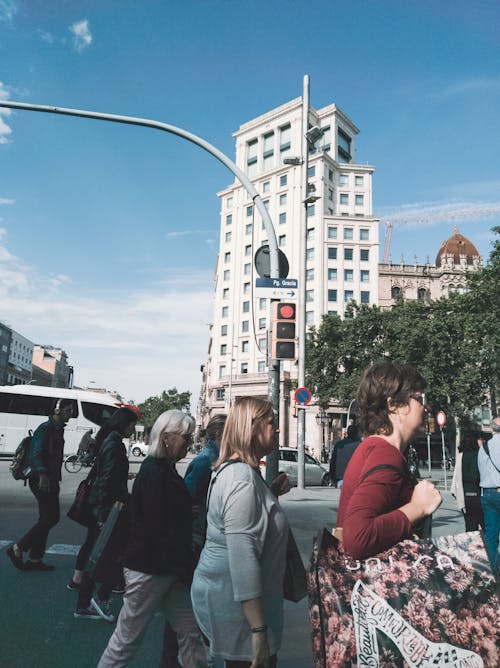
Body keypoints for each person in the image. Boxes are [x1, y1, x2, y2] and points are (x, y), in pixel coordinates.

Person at [97, 410, 208, 667]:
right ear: (167, 438)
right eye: (186, 437)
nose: (189, 443)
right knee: (126, 640)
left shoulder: (162, 469)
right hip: (150, 569)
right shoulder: (155, 472)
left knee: (191, 633)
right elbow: (158, 528)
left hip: (167, 569)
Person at [191, 397, 290, 668]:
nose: (278, 429)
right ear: (252, 428)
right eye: (272, 423)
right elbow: (243, 559)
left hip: (235, 606)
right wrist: (258, 631)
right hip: (240, 617)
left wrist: (269, 493)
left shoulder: (241, 473)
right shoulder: (241, 480)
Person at [335, 362, 442, 560]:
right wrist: (417, 508)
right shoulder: (385, 454)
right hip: (377, 586)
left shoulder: (373, 448)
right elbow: (357, 538)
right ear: (393, 405)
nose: (427, 407)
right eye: (420, 398)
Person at [160, 414, 227, 668]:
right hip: (196, 540)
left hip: (199, 539)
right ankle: (175, 659)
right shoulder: (205, 462)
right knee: (186, 605)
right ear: (219, 435)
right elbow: (184, 501)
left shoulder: (213, 459)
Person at [74, 406, 138, 621]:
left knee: (103, 555)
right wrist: (102, 516)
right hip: (110, 510)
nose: (133, 428)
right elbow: (105, 481)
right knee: (107, 555)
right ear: (124, 424)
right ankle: (95, 600)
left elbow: (108, 476)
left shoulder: (111, 441)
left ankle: (90, 601)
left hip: (110, 508)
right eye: (132, 425)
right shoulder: (114, 445)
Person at [7, 398, 74, 571]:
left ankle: (35, 559)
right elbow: (35, 454)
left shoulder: (57, 429)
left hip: (50, 479)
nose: (71, 414)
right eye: (68, 410)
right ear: (58, 410)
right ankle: (18, 548)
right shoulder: (46, 428)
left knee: (46, 518)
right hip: (41, 479)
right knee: (51, 517)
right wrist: (43, 475)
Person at [450, 430, 485, 532]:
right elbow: (476, 476)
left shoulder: (461, 456)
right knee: (487, 528)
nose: (483, 441)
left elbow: (456, 476)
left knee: (470, 528)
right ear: (475, 441)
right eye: (481, 439)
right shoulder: (479, 455)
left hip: (464, 497)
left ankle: (473, 547)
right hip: (478, 496)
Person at [478, 417, 500, 573]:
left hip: (487, 493)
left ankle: (493, 570)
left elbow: (481, 470)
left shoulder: (483, 448)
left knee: (491, 534)